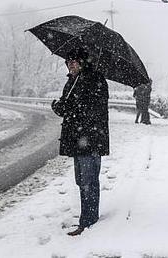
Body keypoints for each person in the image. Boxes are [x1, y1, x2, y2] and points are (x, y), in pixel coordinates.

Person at [51, 47, 109, 236]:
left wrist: (72, 108)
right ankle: (88, 217)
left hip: (91, 139)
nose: (71, 65)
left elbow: (94, 109)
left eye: (74, 61)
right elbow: (68, 106)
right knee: (81, 180)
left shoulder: (95, 80)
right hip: (77, 139)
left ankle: (88, 221)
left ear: (83, 62)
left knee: (89, 180)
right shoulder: (72, 82)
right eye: (68, 62)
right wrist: (59, 107)